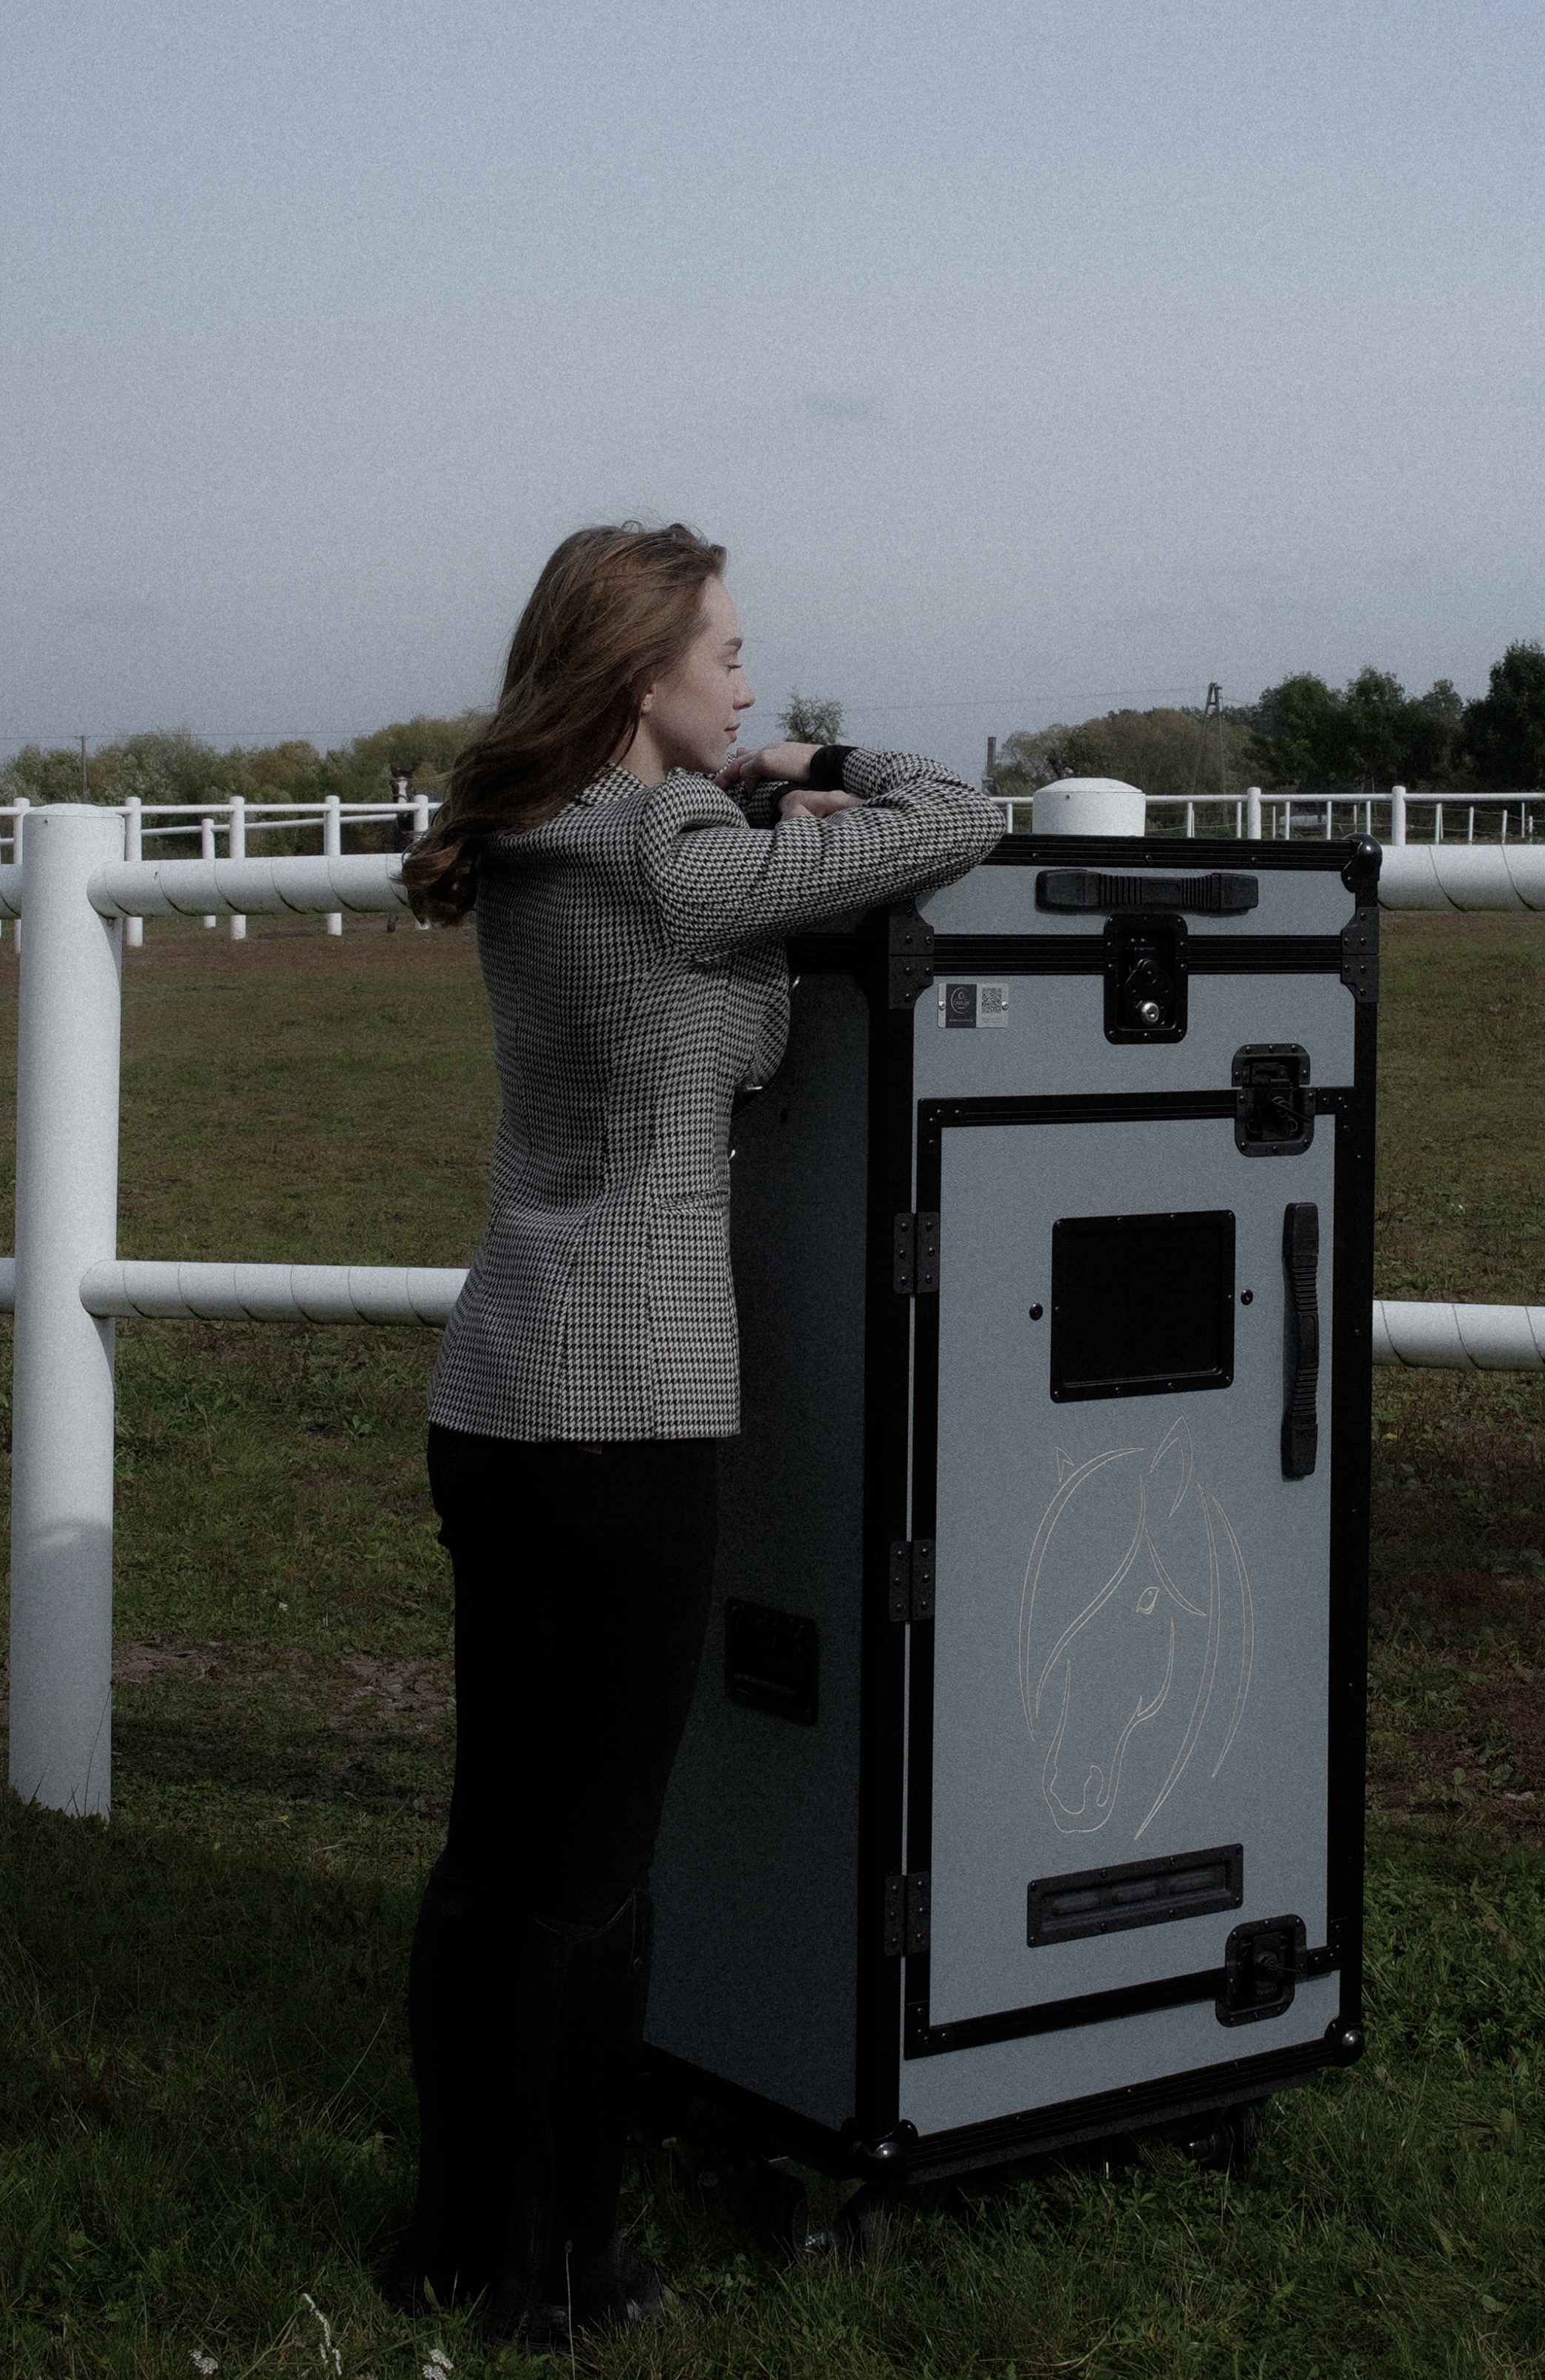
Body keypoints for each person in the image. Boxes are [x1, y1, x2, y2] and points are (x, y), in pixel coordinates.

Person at [383, 522, 999, 2345]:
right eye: (727, 655)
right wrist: (806, 773)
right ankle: (563, 2275)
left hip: (493, 1392)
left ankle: (450, 2229)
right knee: (595, 1867)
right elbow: (960, 817)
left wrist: (746, 820)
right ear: (642, 668)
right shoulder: (672, 842)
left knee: (491, 1841)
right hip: (631, 1411)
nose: (749, 680)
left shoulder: (529, 836)